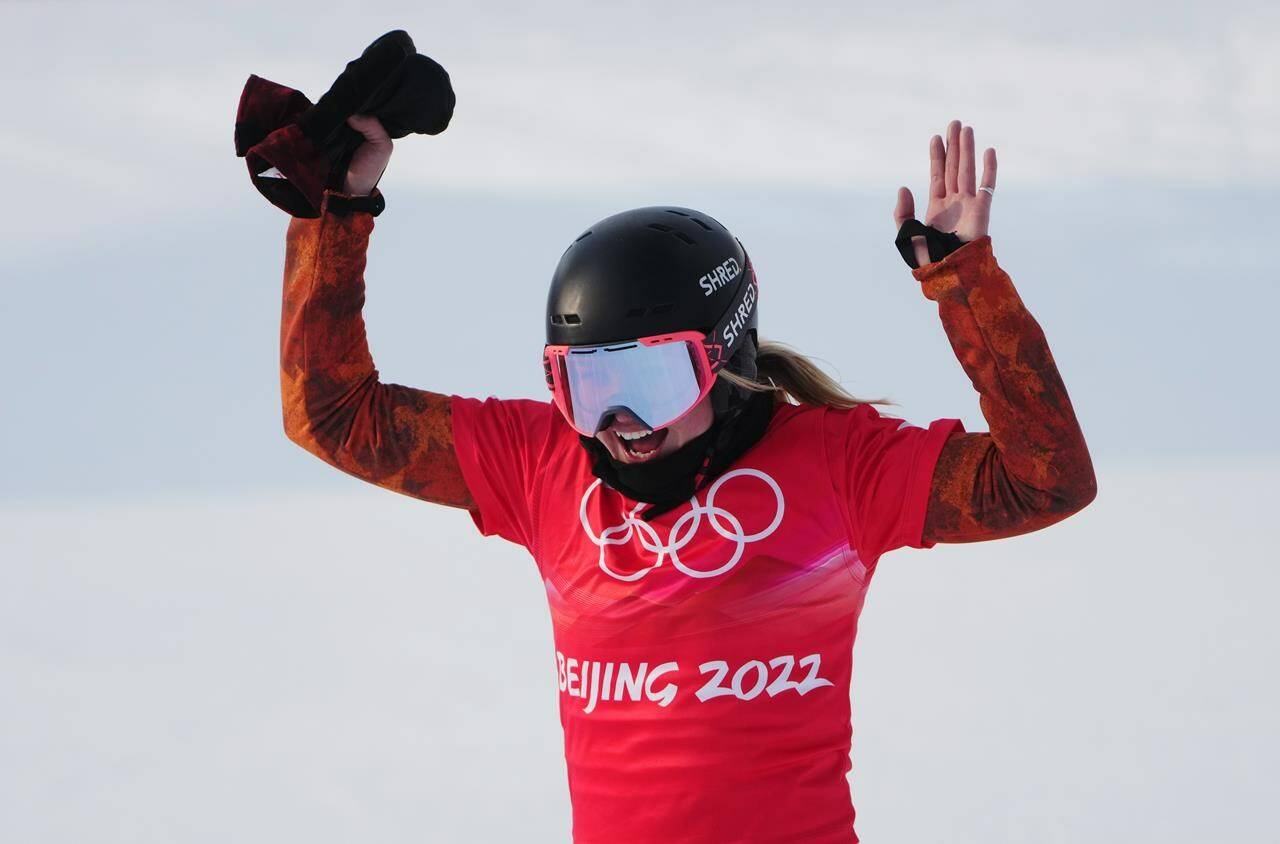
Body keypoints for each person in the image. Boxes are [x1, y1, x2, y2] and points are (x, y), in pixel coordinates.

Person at [278, 114, 1096, 843]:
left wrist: (963, 282)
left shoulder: (841, 466)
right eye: (589, 388)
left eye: (654, 383)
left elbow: (1046, 479)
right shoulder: (543, 463)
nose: (620, 424)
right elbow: (332, 414)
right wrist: (335, 211)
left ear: (726, 357)